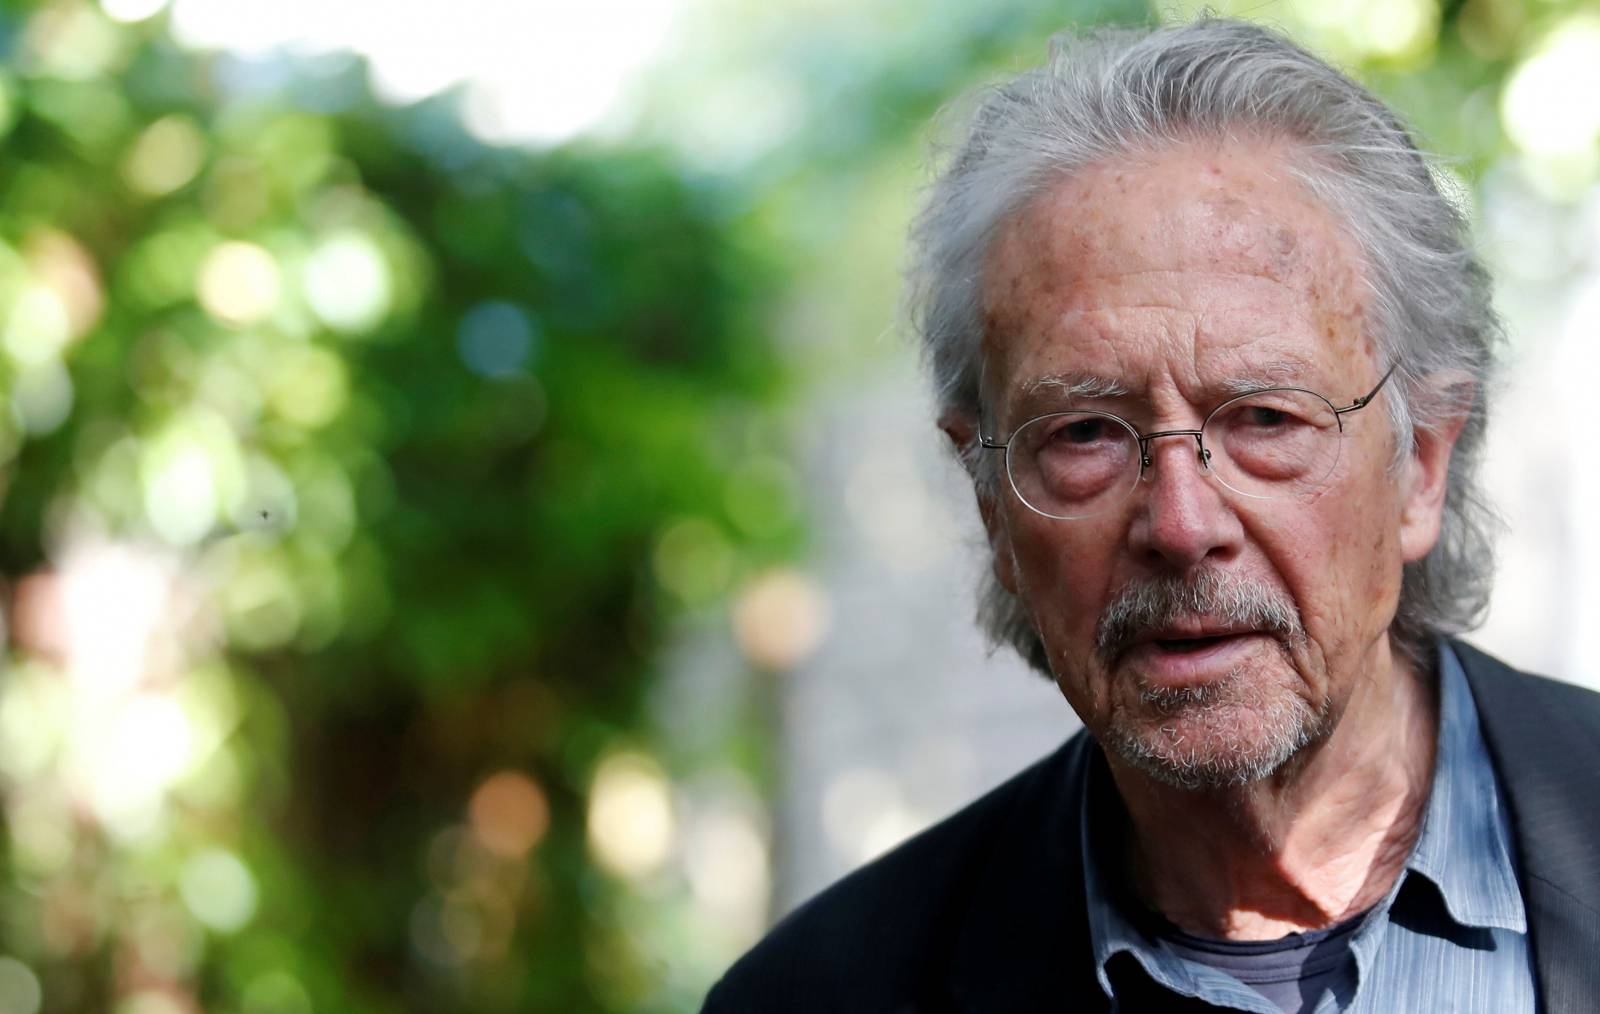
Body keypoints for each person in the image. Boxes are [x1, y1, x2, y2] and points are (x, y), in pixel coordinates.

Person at [704, 17, 1600, 1013]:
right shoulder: (822, 995)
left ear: (1421, 464)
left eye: (1265, 416)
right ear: (992, 507)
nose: (1179, 525)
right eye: (1083, 432)